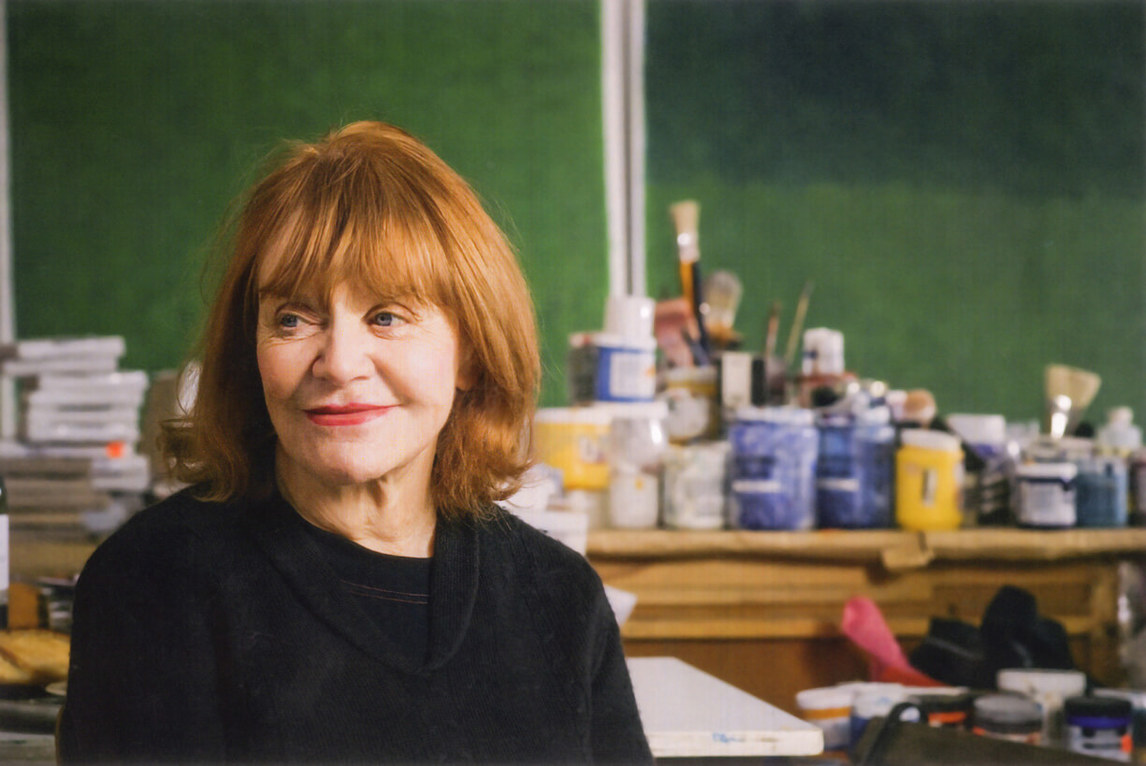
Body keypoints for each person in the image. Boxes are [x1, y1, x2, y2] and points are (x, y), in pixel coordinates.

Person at [58, 121, 653, 764]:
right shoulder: (152, 582)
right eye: (293, 318)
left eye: (387, 316)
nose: (339, 362)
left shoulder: (558, 597)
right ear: (251, 352)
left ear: (471, 356)